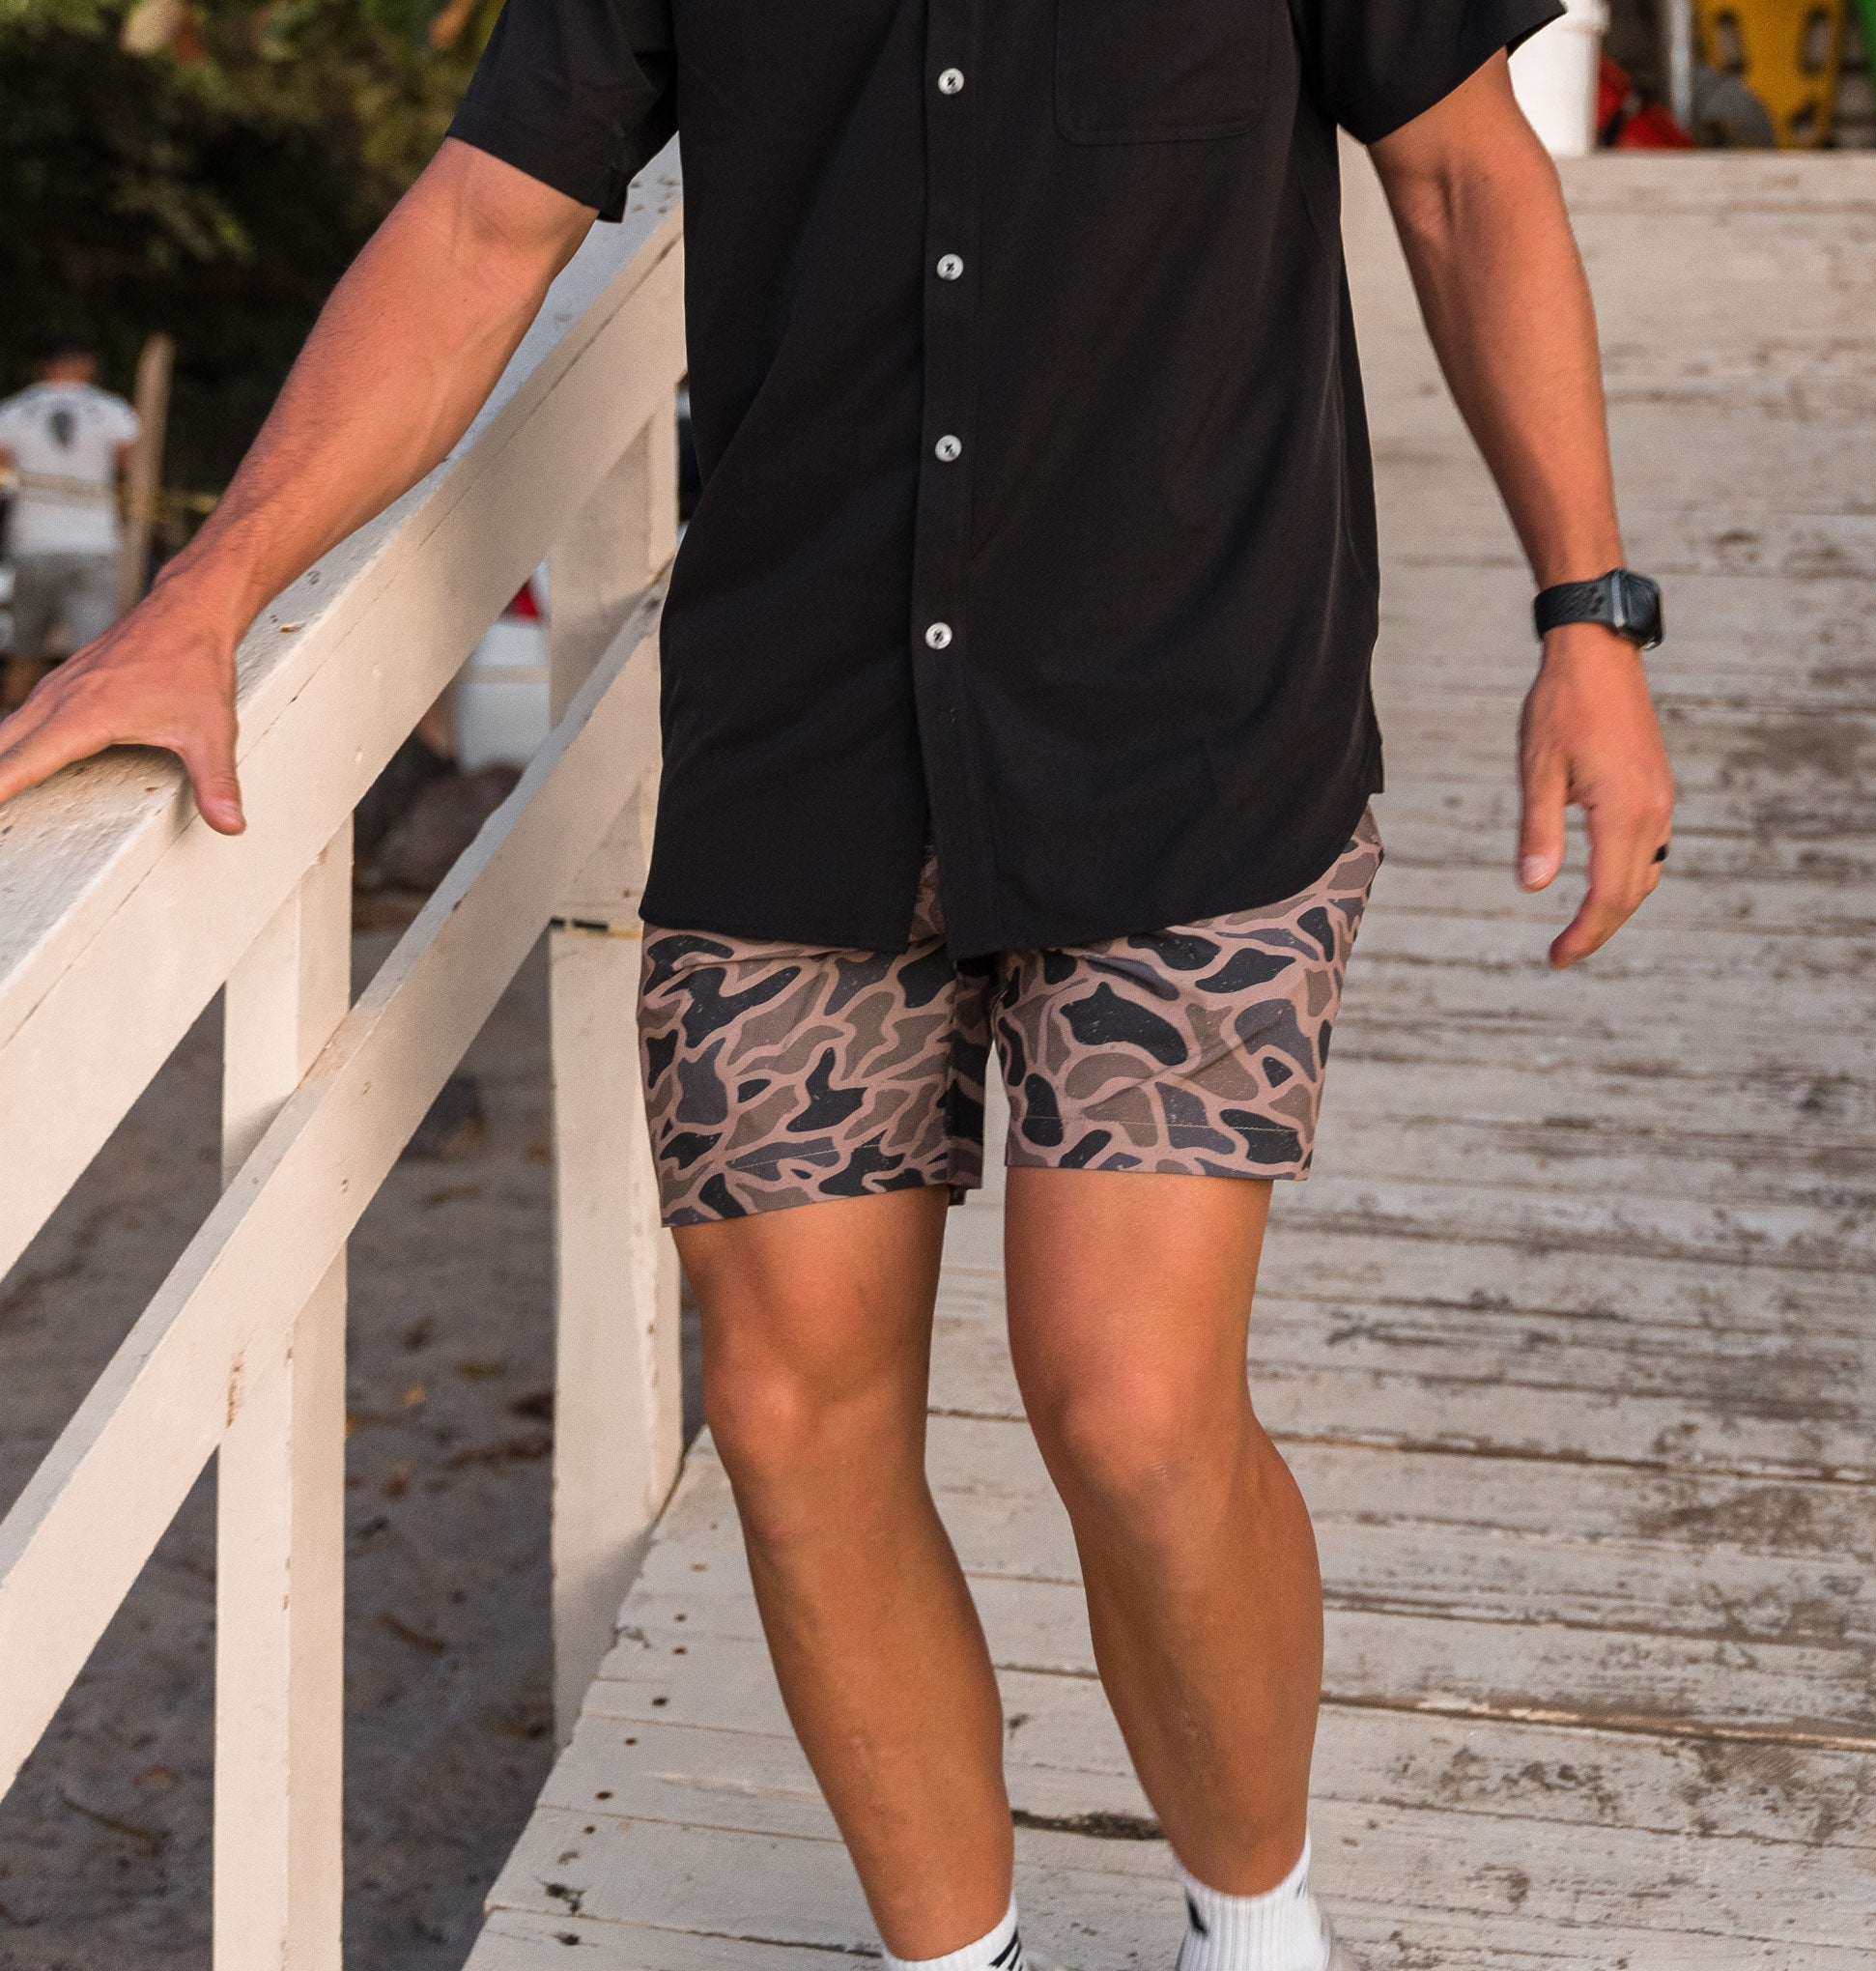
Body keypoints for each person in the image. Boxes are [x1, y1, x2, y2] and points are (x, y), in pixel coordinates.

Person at [0, 3, 1676, 1966]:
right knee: (792, 1422)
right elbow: (480, 224)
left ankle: (1253, 1927)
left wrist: (1589, 620)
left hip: (1195, 727)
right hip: (805, 742)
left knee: (1133, 1409)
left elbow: (1464, 175)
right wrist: (198, 598)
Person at [0, 341, 141, 682]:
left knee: (24, 651)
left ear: (43, 366)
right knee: (92, 655)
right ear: (88, 365)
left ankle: (11, 713)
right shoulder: (112, 410)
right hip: (95, 542)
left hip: (31, 541)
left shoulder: (14, 411)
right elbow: (134, 468)